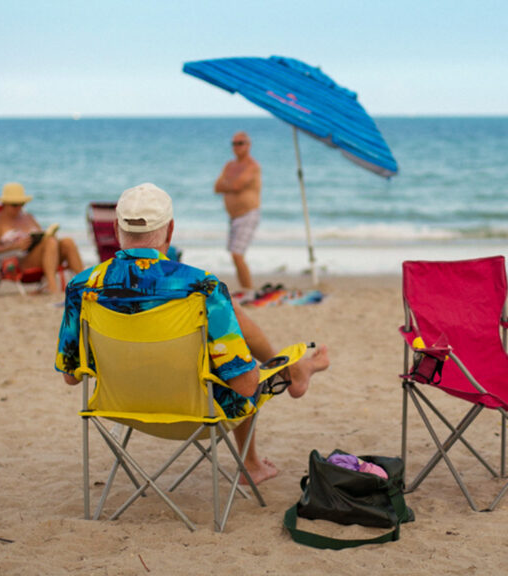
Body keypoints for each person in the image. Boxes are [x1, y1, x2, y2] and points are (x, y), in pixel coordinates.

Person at [55, 182, 329, 484]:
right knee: (236, 364)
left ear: (118, 230)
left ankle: (294, 370)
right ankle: (290, 374)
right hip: (198, 414)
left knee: (226, 338)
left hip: (119, 408)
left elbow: (71, 376)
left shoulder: (82, 286)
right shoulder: (203, 287)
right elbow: (246, 386)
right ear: (170, 231)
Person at [0, 182, 84, 294]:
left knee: (67, 242)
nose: (19, 208)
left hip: (44, 256)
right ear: (4, 203)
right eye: (14, 204)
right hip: (19, 261)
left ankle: (86, 284)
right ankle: (52, 287)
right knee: (50, 242)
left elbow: (43, 238)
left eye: (21, 204)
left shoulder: (28, 217)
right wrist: (16, 246)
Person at [214, 131, 261, 290]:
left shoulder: (252, 166)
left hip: (248, 214)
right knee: (235, 255)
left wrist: (229, 184)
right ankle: (245, 288)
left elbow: (236, 185)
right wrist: (230, 185)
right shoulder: (230, 165)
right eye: (234, 143)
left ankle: (249, 290)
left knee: (237, 254)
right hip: (233, 217)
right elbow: (217, 186)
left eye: (240, 143)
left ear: (248, 145)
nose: (237, 146)